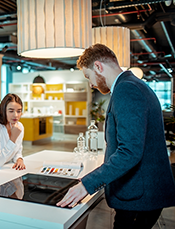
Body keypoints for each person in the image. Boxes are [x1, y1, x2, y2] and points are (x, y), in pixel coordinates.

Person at [57, 44, 175, 228]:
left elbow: (129, 151)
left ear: (98, 66)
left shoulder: (127, 90)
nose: (91, 84)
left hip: (138, 195)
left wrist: (87, 184)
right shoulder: (132, 85)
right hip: (141, 192)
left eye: (88, 76)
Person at [0, 93, 25, 170]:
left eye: (19, 111)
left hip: (10, 170)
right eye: (11, 111)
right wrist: (12, 140)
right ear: (4, 110)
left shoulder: (19, 126)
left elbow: (17, 151)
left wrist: (19, 159)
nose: (16, 115)